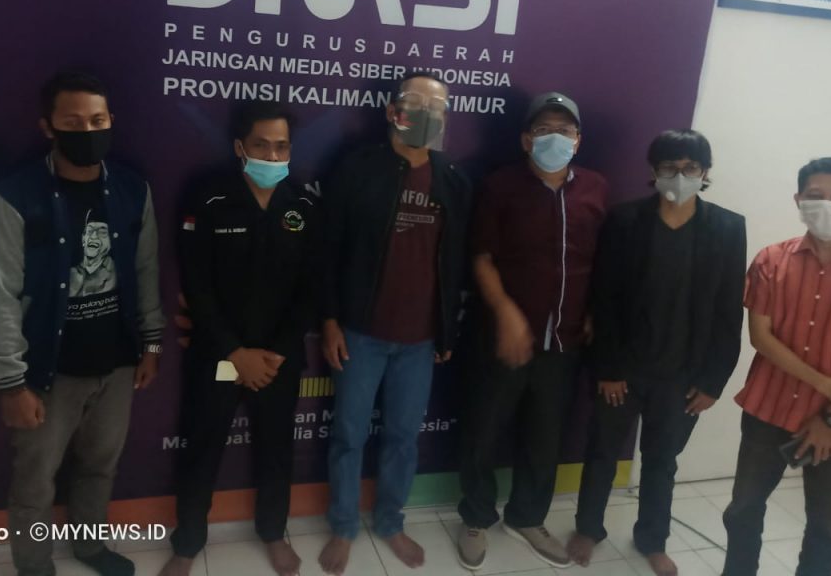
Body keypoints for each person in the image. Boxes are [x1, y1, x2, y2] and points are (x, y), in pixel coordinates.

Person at [0, 71, 165, 576]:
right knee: (35, 482)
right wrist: (12, 383)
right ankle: (35, 566)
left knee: (100, 467)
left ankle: (90, 547)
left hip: (117, 365)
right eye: (73, 122)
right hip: (46, 373)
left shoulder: (132, 190)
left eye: (97, 121)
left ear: (111, 121)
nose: (88, 131)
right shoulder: (13, 199)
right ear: (48, 127)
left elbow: (146, 269)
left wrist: (151, 342)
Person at [568, 129, 746, 576]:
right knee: (602, 452)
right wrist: (608, 368)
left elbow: (728, 312)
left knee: (662, 463)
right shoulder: (624, 221)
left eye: (690, 168)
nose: (680, 176)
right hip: (623, 370)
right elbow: (603, 299)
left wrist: (713, 382)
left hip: (682, 377)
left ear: (705, 172)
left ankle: (652, 540)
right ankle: (588, 528)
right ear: (654, 170)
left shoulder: (728, 228)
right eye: (670, 166)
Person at [317, 73, 472, 576]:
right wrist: (330, 321)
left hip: (419, 340)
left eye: (438, 106)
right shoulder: (356, 168)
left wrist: (447, 330)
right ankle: (343, 526)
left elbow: (455, 263)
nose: (428, 112)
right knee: (349, 435)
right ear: (392, 111)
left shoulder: (453, 178)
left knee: (404, 437)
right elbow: (328, 251)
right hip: (360, 334)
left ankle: (390, 521)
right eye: (416, 102)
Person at [161, 102, 320, 576]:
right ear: (239, 147)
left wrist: (275, 353)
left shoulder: (304, 203)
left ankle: (273, 533)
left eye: (281, 147)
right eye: (261, 145)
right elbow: (198, 286)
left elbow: (312, 288)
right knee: (202, 447)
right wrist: (236, 352)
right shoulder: (208, 198)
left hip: (278, 358)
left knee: (276, 451)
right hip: (220, 355)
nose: (272, 156)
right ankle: (188, 544)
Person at [456, 93, 608, 570]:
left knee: (545, 438)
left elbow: (605, 260)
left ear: (578, 140)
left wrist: (596, 311)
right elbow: (481, 257)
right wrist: (505, 313)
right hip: (504, 339)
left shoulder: (596, 189)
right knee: (482, 432)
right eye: (544, 130)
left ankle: (527, 517)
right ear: (526, 139)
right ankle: (476, 517)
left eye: (565, 130)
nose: (555, 138)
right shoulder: (500, 186)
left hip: (565, 341)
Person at [722, 157, 831, 576]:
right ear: (799, 200)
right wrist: (827, 384)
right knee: (742, 510)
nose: (827, 205)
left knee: (826, 531)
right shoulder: (771, 261)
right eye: (816, 196)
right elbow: (761, 337)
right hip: (768, 409)